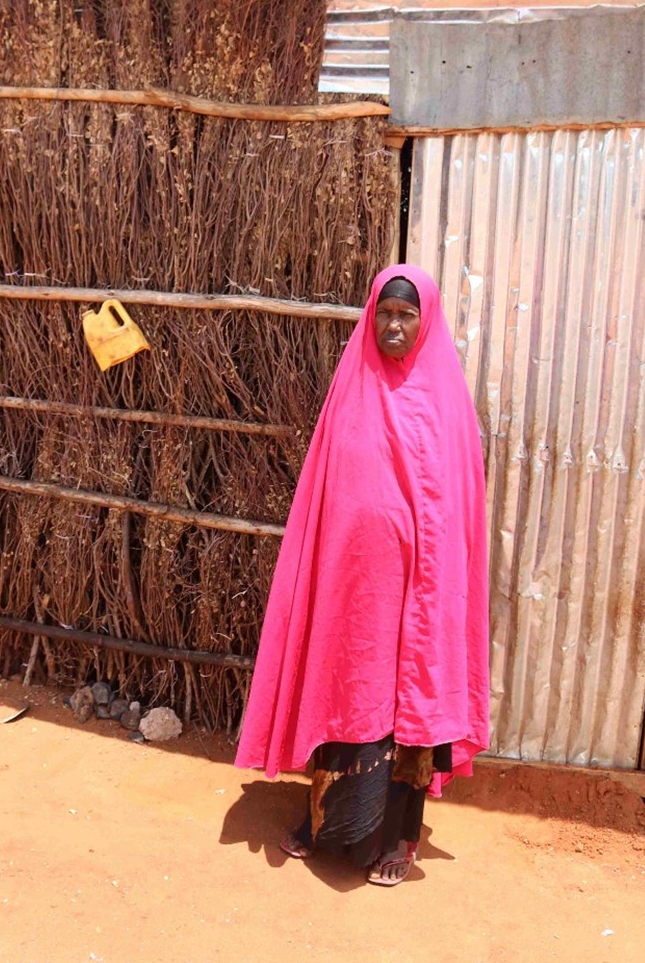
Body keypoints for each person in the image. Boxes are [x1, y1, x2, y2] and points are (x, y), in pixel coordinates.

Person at [235, 264, 490, 887]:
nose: (395, 327)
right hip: (356, 592)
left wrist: (423, 573)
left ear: (424, 321)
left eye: (407, 316)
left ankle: (399, 837)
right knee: (345, 688)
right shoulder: (353, 391)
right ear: (370, 317)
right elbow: (329, 496)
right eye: (386, 313)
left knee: (410, 706)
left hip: (419, 596)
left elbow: (456, 512)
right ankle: (325, 822)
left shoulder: (447, 403)